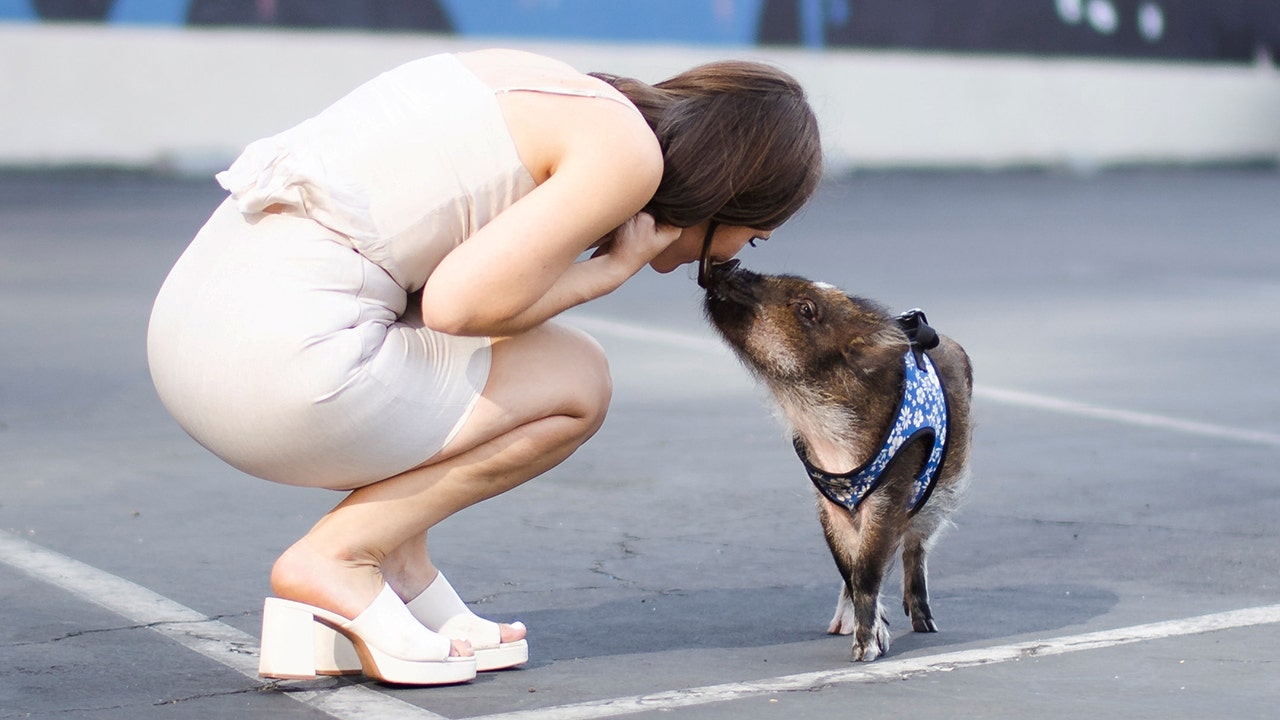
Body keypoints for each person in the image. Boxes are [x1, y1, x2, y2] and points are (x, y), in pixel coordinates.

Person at [147, 48, 822, 685]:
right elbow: (458, 306)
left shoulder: (564, 92)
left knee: (480, 354)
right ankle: (340, 560)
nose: (741, 252)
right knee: (574, 378)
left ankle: (396, 566)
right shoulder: (626, 157)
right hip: (276, 369)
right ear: (730, 189)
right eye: (754, 233)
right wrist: (609, 271)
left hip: (196, 334)